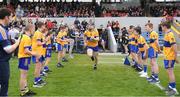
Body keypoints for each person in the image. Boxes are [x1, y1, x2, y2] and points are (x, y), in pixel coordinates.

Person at [0, 8, 20, 96]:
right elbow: (8, 49)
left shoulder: (4, 28)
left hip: (3, 60)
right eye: (11, 17)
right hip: (1, 61)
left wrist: (12, 41)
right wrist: (18, 42)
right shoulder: (1, 29)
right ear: (6, 17)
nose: (12, 19)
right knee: (3, 86)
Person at [18, 24, 38, 96]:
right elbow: (26, 51)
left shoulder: (25, 37)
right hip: (24, 58)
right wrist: (34, 53)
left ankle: (26, 90)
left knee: (25, 75)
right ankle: (23, 92)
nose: (34, 31)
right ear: (30, 29)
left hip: (25, 58)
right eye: (34, 29)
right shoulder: (27, 38)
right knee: (23, 75)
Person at [161, 22, 179, 96]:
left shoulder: (170, 34)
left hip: (170, 57)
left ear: (165, 27)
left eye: (162, 27)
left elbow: (174, 46)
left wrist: (175, 57)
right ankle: (170, 86)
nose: (161, 28)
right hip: (167, 57)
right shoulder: (167, 34)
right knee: (168, 72)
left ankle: (174, 89)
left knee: (170, 72)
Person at [32, 21, 47, 87]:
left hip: (39, 52)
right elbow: (38, 43)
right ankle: (36, 82)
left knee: (39, 67)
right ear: (41, 26)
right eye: (44, 25)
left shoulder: (39, 33)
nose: (44, 27)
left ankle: (38, 79)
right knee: (37, 67)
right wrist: (44, 42)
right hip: (37, 52)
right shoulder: (38, 33)